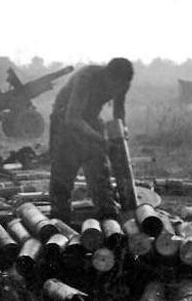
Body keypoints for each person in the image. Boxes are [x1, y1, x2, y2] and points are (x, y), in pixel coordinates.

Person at [49, 58, 134, 223]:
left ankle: (108, 217)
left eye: (120, 86)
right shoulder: (87, 78)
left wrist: (122, 134)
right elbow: (72, 119)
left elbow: (119, 112)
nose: (116, 89)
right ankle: (60, 221)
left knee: (99, 170)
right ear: (107, 75)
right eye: (114, 85)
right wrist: (101, 140)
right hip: (65, 117)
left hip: (91, 117)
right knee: (64, 171)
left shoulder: (123, 83)